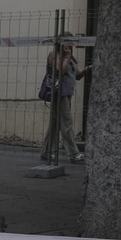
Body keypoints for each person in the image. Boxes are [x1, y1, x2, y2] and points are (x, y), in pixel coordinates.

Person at [42, 33, 91, 163]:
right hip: (59, 93)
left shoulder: (71, 58)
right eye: (69, 43)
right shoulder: (55, 55)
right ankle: (74, 153)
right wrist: (67, 57)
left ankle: (46, 152)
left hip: (67, 92)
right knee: (67, 122)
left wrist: (87, 69)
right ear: (62, 43)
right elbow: (59, 70)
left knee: (54, 123)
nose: (72, 45)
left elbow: (76, 75)